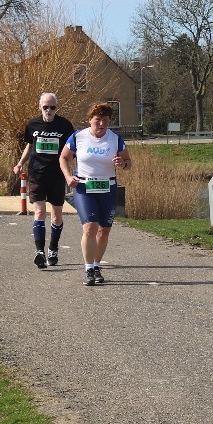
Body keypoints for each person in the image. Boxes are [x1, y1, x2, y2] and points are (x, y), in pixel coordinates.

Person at [60, 102, 131, 287]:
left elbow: (128, 162)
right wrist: (68, 176)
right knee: (90, 227)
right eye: (97, 120)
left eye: (105, 120)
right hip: (84, 187)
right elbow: (64, 157)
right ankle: (89, 269)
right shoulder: (78, 136)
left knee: (104, 230)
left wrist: (122, 164)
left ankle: (97, 265)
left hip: (108, 188)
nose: (101, 124)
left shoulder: (115, 138)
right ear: (90, 120)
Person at [13, 93, 76, 269]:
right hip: (37, 174)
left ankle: (53, 249)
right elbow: (30, 145)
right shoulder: (32, 124)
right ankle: (39, 252)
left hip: (57, 175)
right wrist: (20, 163)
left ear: (56, 108)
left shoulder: (65, 125)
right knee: (40, 211)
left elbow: (72, 150)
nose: (49, 110)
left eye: (52, 107)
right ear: (40, 107)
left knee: (56, 215)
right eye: (45, 107)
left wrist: (71, 172)